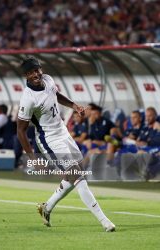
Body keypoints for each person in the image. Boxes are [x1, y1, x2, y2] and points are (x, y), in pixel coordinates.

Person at [16, 57, 115, 232]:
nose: (36, 74)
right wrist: (33, 159)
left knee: (76, 172)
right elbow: (21, 130)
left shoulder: (48, 79)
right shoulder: (28, 99)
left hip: (63, 132)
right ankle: (105, 221)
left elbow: (55, 94)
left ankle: (46, 207)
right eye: (31, 72)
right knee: (78, 176)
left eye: (37, 69)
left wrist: (74, 105)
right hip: (49, 140)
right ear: (26, 76)